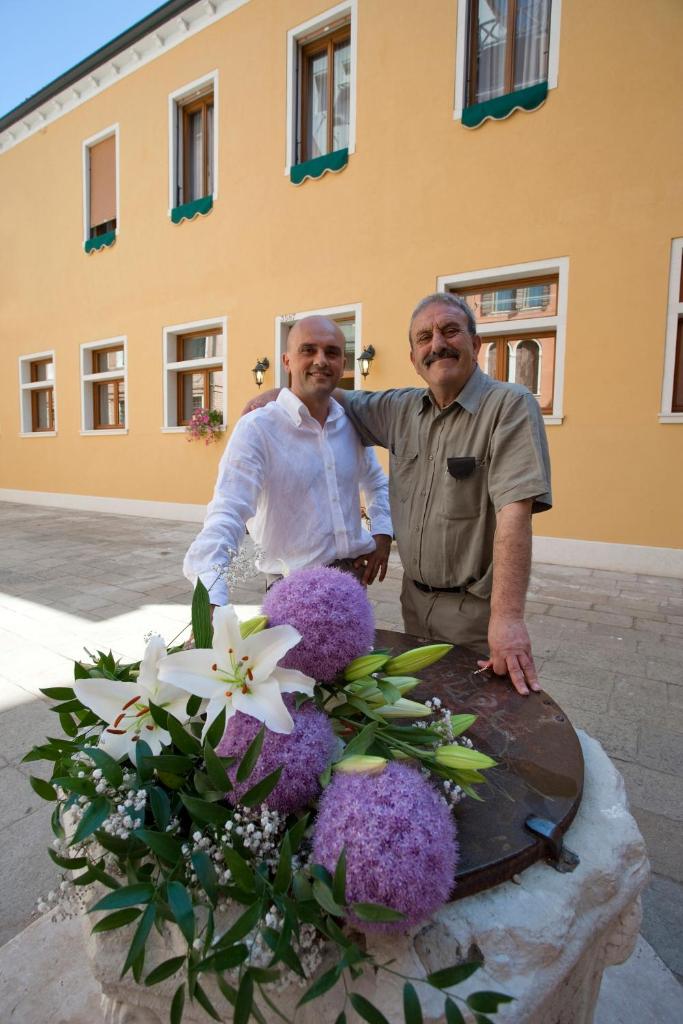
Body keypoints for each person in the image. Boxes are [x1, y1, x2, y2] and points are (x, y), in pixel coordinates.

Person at [244, 293, 551, 696]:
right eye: (424, 337)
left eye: (450, 331)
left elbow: (515, 514)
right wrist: (278, 397)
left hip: (475, 614)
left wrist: (508, 618)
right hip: (415, 603)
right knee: (427, 714)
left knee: (476, 723)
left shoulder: (509, 407)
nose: (437, 344)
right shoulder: (403, 410)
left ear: (475, 345)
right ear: (413, 357)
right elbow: (337, 395)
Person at [184, 315, 392, 608]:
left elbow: (377, 483)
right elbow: (228, 511)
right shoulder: (258, 428)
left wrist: (382, 532)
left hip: (353, 582)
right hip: (291, 589)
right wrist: (210, 598)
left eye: (331, 352)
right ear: (287, 361)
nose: (321, 360)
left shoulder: (352, 424)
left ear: (342, 363)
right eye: (308, 350)